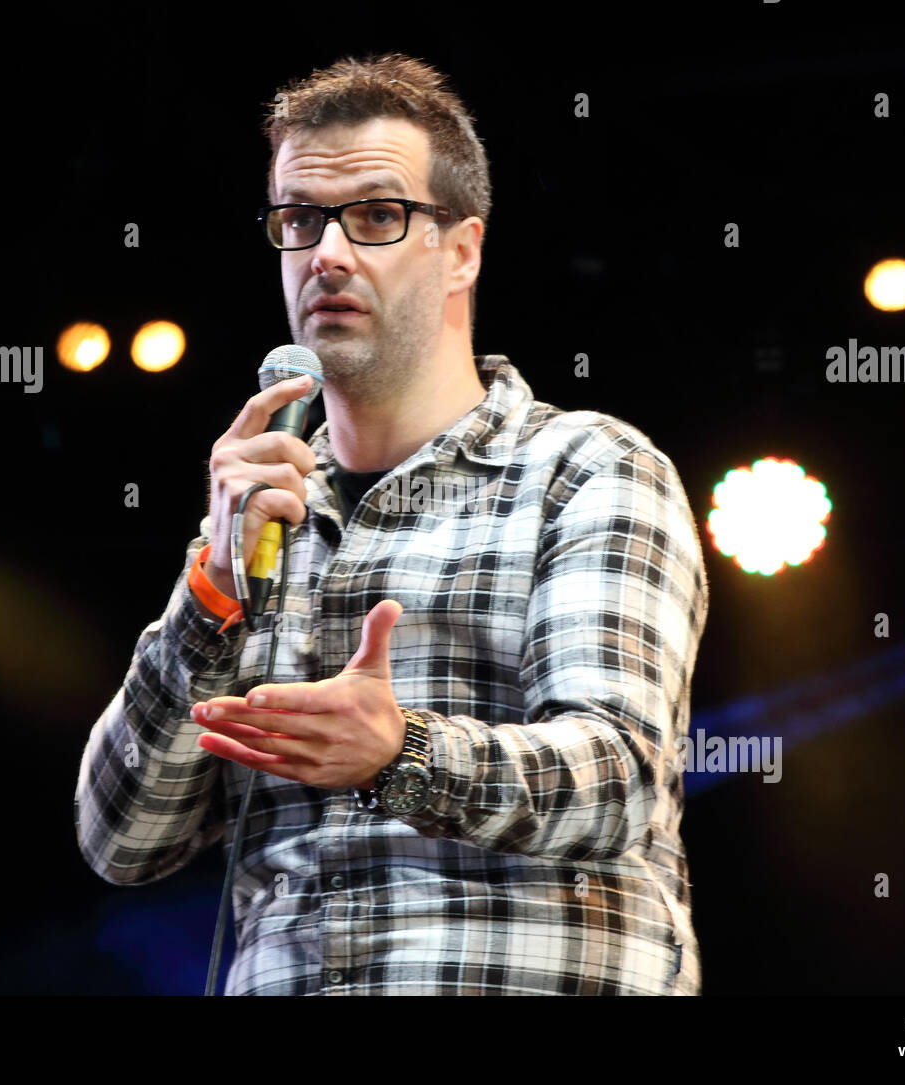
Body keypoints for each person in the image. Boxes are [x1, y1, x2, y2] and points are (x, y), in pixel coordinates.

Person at [74, 52, 709, 995]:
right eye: (299, 220)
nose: (326, 252)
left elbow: (618, 781)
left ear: (462, 249)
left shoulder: (587, 468)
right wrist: (210, 591)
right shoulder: (258, 518)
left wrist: (401, 752)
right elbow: (120, 840)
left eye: (375, 215)